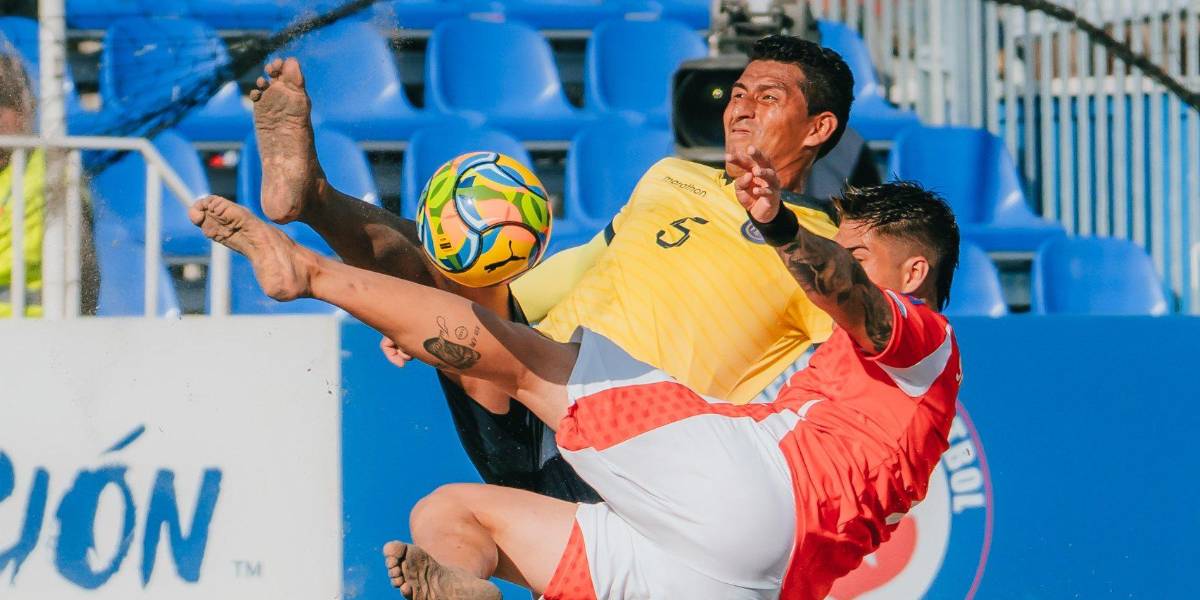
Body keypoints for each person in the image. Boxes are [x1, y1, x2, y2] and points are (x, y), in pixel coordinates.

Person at [188, 163, 961, 598]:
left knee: (520, 361)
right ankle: (466, 588)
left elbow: (845, 293)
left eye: (856, 249)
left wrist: (788, 229)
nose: (839, 259)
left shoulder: (924, 339)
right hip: (746, 584)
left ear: (914, 272)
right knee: (452, 514)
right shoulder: (889, 385)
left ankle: (308, 269)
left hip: (762, 497)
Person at [247, 35, 855, 501]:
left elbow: (859, 367)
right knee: (462, 262)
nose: (739, 110)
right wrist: (452, 303)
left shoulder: (827, 250)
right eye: (737, 94)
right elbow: (581, 268)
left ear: (819, 128)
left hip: (631, 442)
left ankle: (322, 235)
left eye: (768, 97)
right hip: (535, 376)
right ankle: (315, 199)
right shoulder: (672, 176)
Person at [0, 53, 99, 317]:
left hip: (32, 331)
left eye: (4, 100)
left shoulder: (55, 167)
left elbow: (84, 268)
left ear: (26, 108)